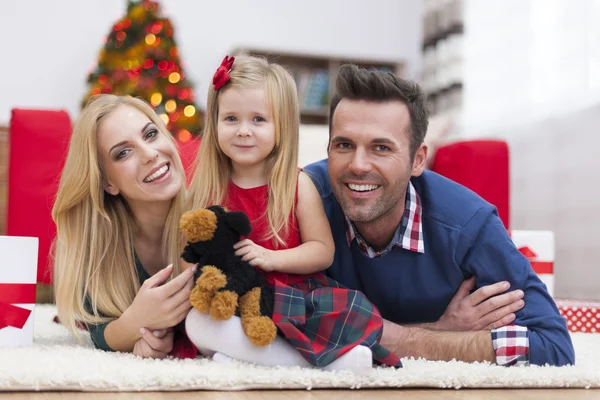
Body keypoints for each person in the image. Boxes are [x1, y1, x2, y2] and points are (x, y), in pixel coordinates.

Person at [303, 64, 575, 366]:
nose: (358, 165)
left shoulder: (469, 224)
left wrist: (405, 339)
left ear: (417, 160)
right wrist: (438, 333)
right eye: (344, 145)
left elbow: (552, 346)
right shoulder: (302, 199)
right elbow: (275, 326)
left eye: (381, 147)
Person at [184, 56, 400, 371]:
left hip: (289, 298)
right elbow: (191, 255)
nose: (244, 131)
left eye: (258, 119)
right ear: (214, 122)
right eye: (231, 118)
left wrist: (271, 259)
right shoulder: (205, 188)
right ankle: (317, 362)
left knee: (353, 311)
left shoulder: (297, 184)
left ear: (280, 125)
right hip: (233, 300)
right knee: (195, 322)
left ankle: (245, 357)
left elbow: (323, 251)